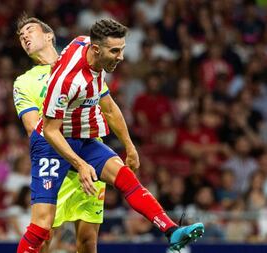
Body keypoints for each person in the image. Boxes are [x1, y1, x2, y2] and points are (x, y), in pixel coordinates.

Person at [17, 18, 205, 253]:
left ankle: (172, 230)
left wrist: (130, 146)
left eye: (121, 50)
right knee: (42, 228)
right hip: (50, 143)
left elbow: (108, 107)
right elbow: (49, 129)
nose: (121, 57)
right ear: (97, 50)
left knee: (124, 178)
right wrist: (80, 164)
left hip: (84, 139)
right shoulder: (65, 82)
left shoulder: (84, 45)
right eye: (115, 51)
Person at [13, 15, 107, 253]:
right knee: (43, 237)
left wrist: (127, 145)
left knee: (87, 242)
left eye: (30, 30)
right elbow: (34, 127)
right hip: (56, 162)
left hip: (89, 156)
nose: (24, 36)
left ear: (49, 35)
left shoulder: (82, 63)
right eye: (21, 35)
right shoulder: (24, 82)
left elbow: (108, 107)